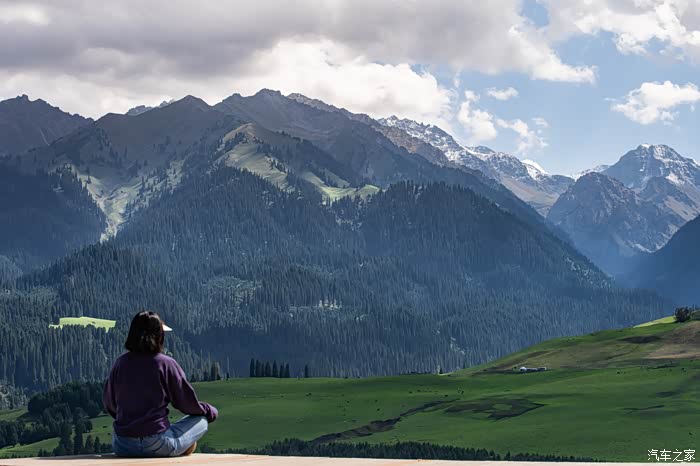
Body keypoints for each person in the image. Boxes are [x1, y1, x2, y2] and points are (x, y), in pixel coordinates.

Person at [103, 311, 218, 457]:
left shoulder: (120, 364)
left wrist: (131, 422)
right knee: (201, 420)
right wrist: (209, 410)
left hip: (122, 445)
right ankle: (181, 448)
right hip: (157, 444)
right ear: (158, 336)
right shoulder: (165, 364)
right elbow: (186, 404)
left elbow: (110, 404)